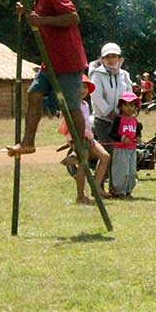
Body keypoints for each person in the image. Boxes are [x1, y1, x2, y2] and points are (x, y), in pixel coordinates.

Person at [6, 0, 90, 158]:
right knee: (34, 94)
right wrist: (26, 13)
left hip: (67, 61)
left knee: (71, 108)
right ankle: (27, 143)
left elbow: (73, 17)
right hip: (51, 59)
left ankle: (80, 150)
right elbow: (39, 17)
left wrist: (41, 21)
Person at [59, 75, 112, 205]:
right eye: (79, 87)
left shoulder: (85, 104)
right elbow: (70, 123)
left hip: (89, 138)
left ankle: (96, 186)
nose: (82, 90)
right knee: (83, 166)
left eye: (85, 87)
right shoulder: (71, 105)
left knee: (105, 156)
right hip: (79, 138)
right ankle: (80, 196)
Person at [89, 42, 134, 154]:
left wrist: (128, 111)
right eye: (107, 57)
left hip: (122, 119)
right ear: (102, 59)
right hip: (103, 120)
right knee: (110, 152)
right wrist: (110, 112)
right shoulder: (97, 74)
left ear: (119, 58)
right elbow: (96, 96)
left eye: (114, 56)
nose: (110, 59)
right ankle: (106, 172)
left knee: (124, 150)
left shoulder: (124, 75)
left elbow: (129, 95)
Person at [108, 92, 140, 198]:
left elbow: (137, 133)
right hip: (120, 150)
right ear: (121, 106)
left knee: (131, 171)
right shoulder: (118, 119)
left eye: (132, 105)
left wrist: (138, 138)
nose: (129, 108)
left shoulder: (135, 121)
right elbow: (112, 134)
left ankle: (129, 190)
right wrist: (122, 138)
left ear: (136, 107)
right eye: (126, 105)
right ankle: (120, 191)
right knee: (121, 170)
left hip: (132, 150)